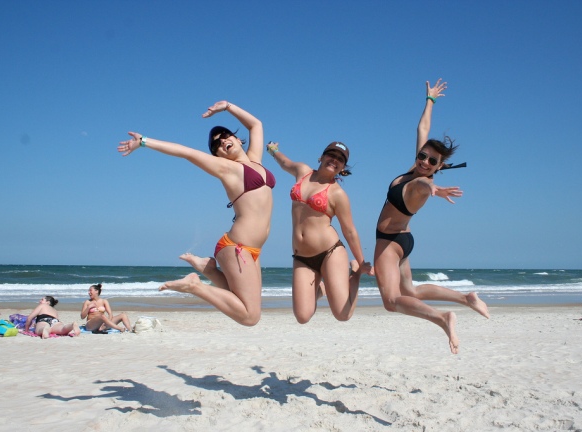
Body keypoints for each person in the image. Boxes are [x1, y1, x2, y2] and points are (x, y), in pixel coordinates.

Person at [118, 101, 273, 326]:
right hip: (237, 247)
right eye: (217, 145)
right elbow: (187, 153)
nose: (223, 142)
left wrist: (228, 107)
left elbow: (256, 124)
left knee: (244, 302)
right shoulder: (227, 169)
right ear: (218, 156)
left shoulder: (256, 161)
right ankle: (195, 286)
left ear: (238, 139)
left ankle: (207, 270)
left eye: (226, 136)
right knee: (250, 316)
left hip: (253, 250)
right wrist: (143, 142)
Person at [373, 78, 489, 354]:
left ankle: (442, 318)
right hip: (404, 239)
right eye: (423, 156)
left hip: (390, 242)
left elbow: (423, 186)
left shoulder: (421, 183)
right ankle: (466, 298)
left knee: (391, 301)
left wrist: (434, 189)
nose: (424, 161)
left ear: (439, 167)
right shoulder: (416, 169)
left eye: (431, 161)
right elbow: (422, 128)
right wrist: (430, 100)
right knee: (410, 292)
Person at [266, 141, 373, 323]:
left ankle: (354, 274)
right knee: (303, 316)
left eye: (340, 159)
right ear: (321, 157)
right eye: (331, 155)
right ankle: (322, 288)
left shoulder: (338, 193)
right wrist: (273, 150)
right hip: (302, 257)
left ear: (343, 167)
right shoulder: (302, 172)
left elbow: (349, 231)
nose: (334, 160)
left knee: (342, 315)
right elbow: (285, 163)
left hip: (330, 252)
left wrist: (362, 263)